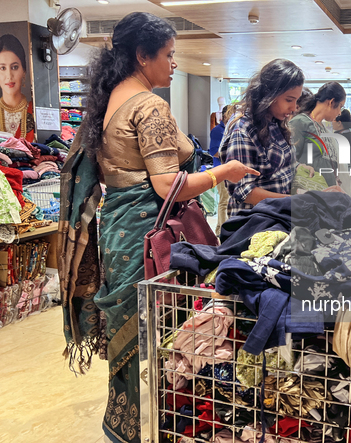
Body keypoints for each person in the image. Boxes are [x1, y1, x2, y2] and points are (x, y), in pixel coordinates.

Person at [57, 13, 258, 443]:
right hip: (148, 231)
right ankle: (153, 425)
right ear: (142, 55)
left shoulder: (112, 98)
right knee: (157, 325)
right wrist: (226, 172)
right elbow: (169, 183)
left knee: (132, 325)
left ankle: (124, 420)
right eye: (168, 55)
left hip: (119, 229)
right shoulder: (149, 105)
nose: (173, 64)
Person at [220, 58, 314, 218]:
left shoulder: (276, 123)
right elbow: (244, 191)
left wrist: (297, 167)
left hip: (277, 216)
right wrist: (294, 201)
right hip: (254, 223)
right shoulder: (243, 129)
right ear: (269, 94)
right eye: (289, 100)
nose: (293, 108)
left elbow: (276, 166)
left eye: (296, 100)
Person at [290, 81, 346, 188]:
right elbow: (287, 159)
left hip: (328, 196)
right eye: (340, 106)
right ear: (331, 102)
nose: (339, 113)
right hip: (308, 195)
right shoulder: (300, 123)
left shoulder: (324, 129)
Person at [0, 34, 35, 142]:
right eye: (2, 68)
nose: (9, 75)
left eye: (14, 67)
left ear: (23, 72)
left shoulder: (34, 111)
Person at [209, 104, 230, 235]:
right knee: (224, 201)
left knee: (225, 200)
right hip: (221, 170)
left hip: (227, 169)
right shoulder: (218, 130)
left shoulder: (230, 129)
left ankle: (218, 230)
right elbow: (213, 151)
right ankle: (223, 232)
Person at [333, 108, 351, 196]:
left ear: (339, 122)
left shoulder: (338, 138)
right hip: (348, 175)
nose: (331, 122)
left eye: (334, 120)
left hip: (341, 176)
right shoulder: (350, 135)